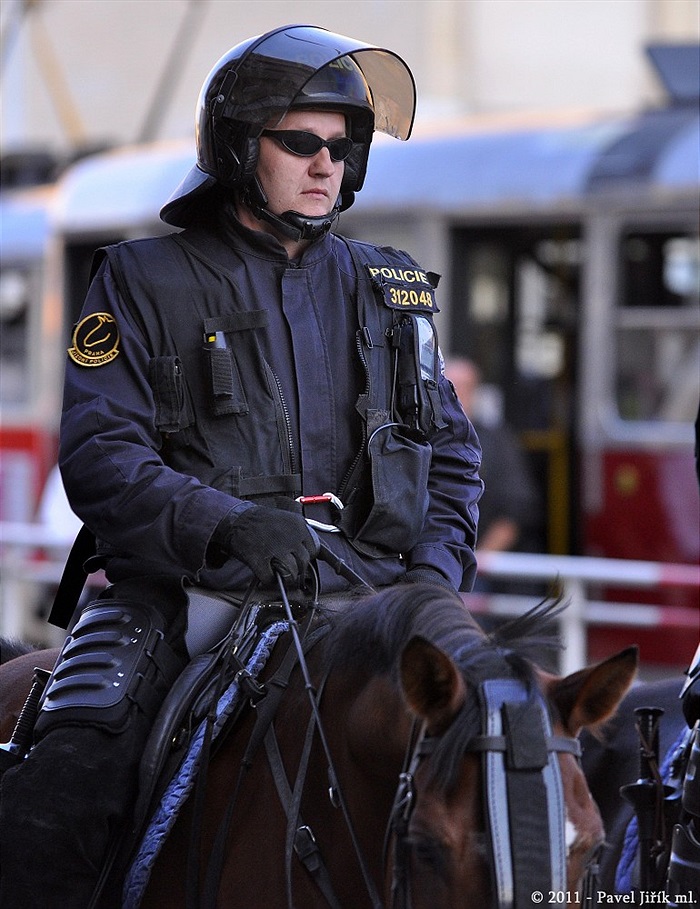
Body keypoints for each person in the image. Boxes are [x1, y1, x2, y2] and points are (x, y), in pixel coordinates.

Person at [0, 25, 482, 909]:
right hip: (187, 595)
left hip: (374, 602)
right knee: (65, 781)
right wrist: (225, 524)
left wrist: (432, 585)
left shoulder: (393, 288)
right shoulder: (140, 278)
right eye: (299, 142)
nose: (326, 163)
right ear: (235, 146)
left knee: (523, 765)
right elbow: (101, 454)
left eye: (342, 145)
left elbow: (452, 458)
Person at [446, 357, 539, 557]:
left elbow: (515, 510)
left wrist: (477, 560)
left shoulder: (497, 441)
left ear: (475, 392)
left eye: (464, 387)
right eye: (448, 387)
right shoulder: (421, 439)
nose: (455, 395)